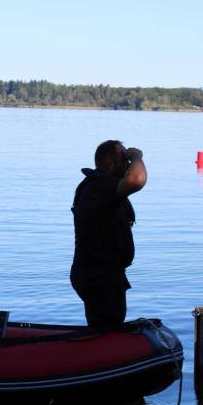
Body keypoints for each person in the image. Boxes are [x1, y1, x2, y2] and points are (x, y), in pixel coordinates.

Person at [70, 140, 147, 330]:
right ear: (110, 164)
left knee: (103, 328)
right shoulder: (100, 186)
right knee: (106, 330)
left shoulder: (98, 186)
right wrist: (137, 156)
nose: (128, 164)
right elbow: (136, 179)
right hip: (100, 277)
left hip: (98, 273)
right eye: (125, 160)